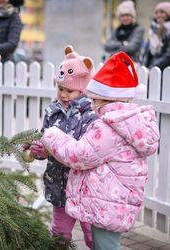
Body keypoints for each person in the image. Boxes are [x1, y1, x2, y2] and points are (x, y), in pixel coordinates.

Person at [39, 51, 159, 250]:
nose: (92, 105)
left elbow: (78, 155)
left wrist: (52, 135)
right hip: (118, 200)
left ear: (106, 99)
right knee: (105, 244)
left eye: (95, 100)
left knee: (105, 246)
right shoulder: (131, 122)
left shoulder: (109, 127)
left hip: (107, 202)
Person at [28, 46, 97, 249]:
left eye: (70, 90)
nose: (64, 94)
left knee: (93, 234)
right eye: (60, 89)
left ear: (82, 89)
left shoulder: (90, 115)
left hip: (85, 188)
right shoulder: (52, 111)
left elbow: (89, 150)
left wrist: (57, 150)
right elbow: (46, 137)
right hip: (59, 185)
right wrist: (41, 151)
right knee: (59, 234)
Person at [141, 2, 170, 70]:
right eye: (156, 13)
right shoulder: (152, 30)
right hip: (150, 70)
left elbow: (168, 55)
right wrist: (144, 67)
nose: (158, 15)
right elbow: (147, 52)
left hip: (165, 70)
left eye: (162, 12)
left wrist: (152, 67)